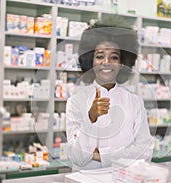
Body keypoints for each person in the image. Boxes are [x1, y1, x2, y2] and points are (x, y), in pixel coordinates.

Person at [65, 17, 154, 170]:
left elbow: (145, 151)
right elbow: (77, 157)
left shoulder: (134, 101)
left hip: (123, 181)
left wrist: (102, 156)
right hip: (86, 180)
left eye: (114, 57)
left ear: (122, 63)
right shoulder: (76, 101)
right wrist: (90, 118)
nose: (106, 62)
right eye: (99, 56)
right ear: (90, 61)